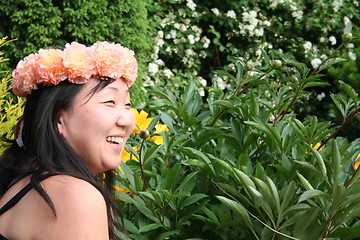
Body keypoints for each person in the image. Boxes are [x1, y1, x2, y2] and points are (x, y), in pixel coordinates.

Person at [0, 41, 137, 239]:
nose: (127, 120)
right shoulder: (76, 197)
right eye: (110, 102)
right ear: (58, 119)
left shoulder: (18, 182)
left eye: (127, 104)